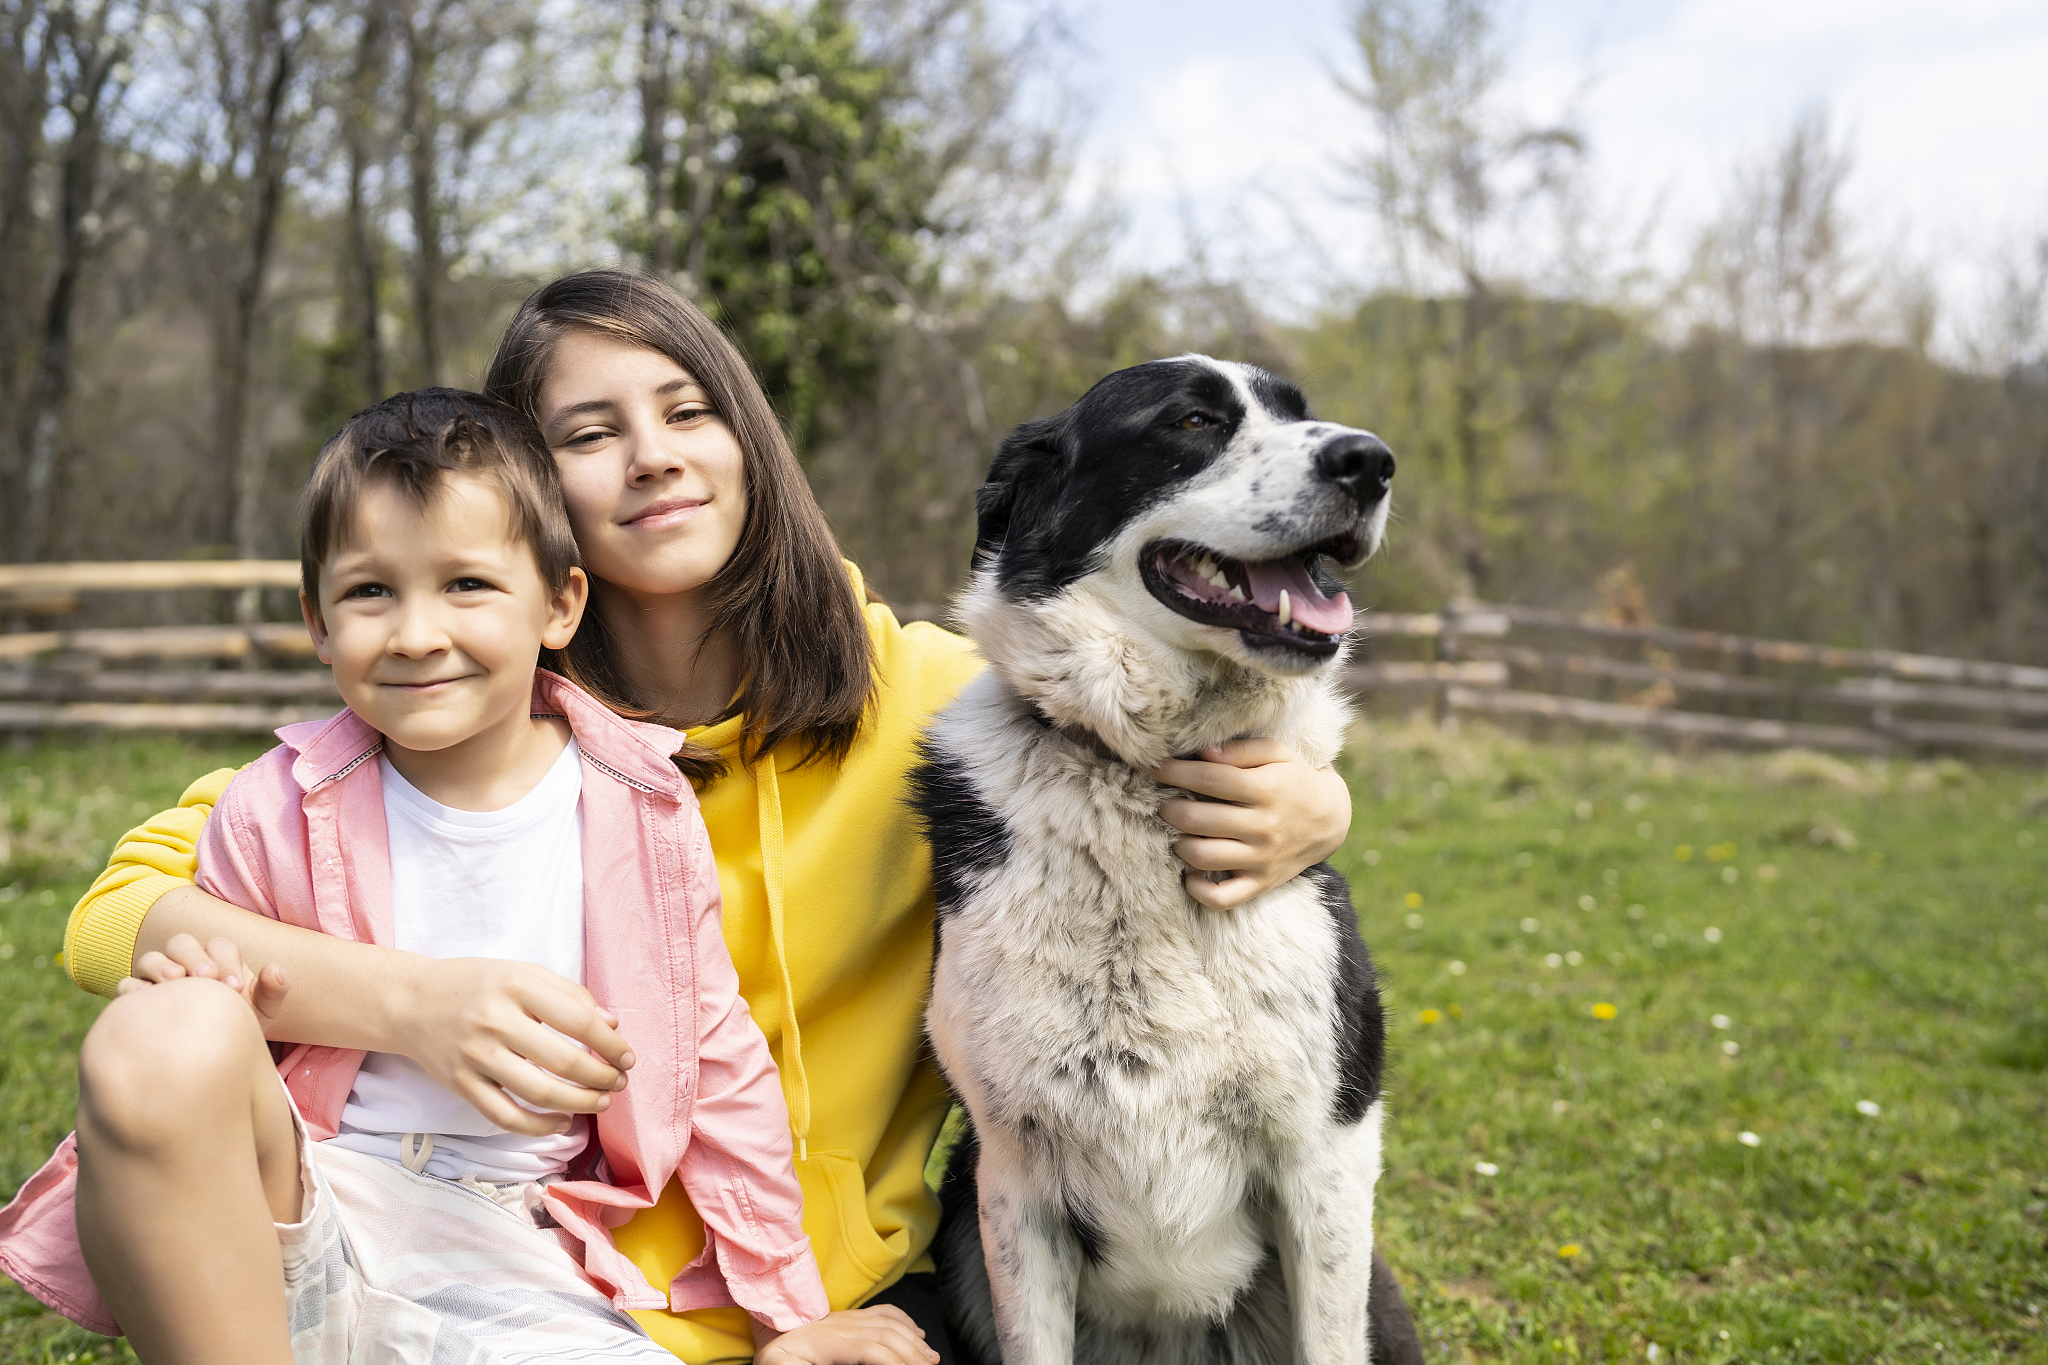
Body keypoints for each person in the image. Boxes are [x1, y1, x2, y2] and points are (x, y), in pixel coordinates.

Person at [42, 271, 1356, 1362]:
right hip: (547, 1260)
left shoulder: (939, 702)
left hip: (817, 1303)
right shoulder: (483, 730)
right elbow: (120, 914)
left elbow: (1141, 716)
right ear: (528, 493)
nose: (654, 454)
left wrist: (1318, 799)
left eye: (687, 408)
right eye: (588, 430)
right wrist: (407, 1004)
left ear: (745, 436)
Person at [2, 389, 940, 1363]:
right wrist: (205, 1008)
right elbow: (173, 995)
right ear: (315, 620)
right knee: (165, 1025)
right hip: (306, 1208)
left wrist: (788, 1312)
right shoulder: (275, 806)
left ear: (559, 603)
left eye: (465, 587)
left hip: (510, 1256)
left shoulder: (638, 812)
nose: (416, 634)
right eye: (371, 592)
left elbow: (717, 1066)